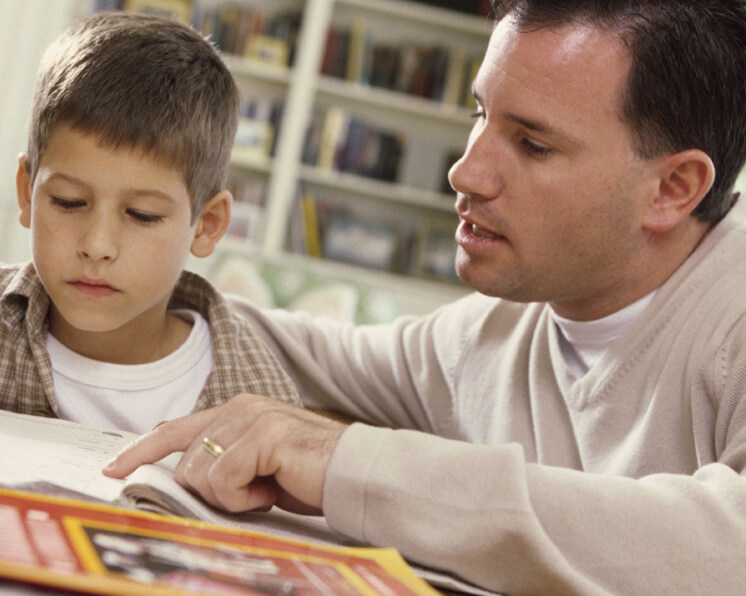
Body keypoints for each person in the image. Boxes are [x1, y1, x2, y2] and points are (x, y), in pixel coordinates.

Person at [105, 0, 746, 594]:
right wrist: (85, 276)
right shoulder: (489, 334)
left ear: (673, 188)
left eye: (533, 144)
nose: (464, 173)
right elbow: (292, 349)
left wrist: (350, 464)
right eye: (479, 114)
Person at [0, 11, 300, 434]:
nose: (98, 245)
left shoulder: (250, 394)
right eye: (68, 202)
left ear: (207, 224)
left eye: (142, 215)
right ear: (28, 192)